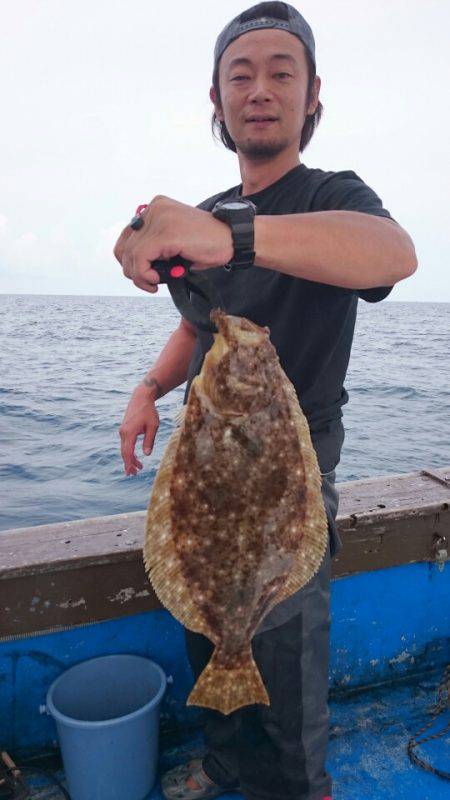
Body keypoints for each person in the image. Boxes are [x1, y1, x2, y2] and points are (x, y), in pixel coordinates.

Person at [113, 3, 417, 798]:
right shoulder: (206, 215)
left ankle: (296, 786)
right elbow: (200, 327)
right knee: (209, 633)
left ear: (313, 96)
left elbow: (394, 256)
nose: (260, 88)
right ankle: (223, 769)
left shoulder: (335, 195)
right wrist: (148, 390)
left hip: (292, 474)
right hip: (208, 465)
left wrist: (236, 236)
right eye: (239, 74)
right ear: (215, 100)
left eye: (283, 72)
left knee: (284, 669)